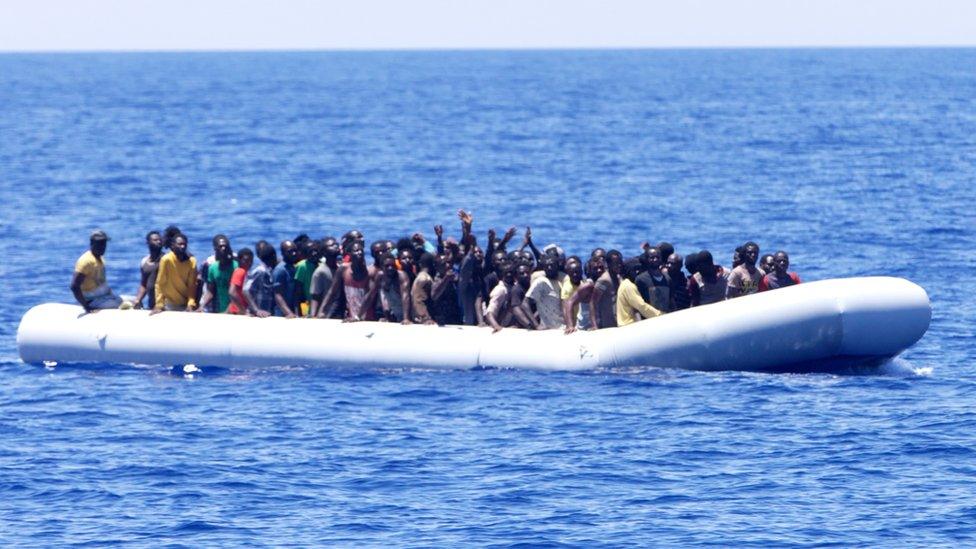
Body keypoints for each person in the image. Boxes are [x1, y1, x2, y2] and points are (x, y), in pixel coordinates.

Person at [70, 230, 122, 311]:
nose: (102, 246)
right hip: (93, 301)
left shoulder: (99, 258)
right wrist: (86, 306)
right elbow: (74, 286)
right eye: (99, 244)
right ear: (92, 243)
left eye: (104, 243)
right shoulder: (86, 261)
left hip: (104, 298)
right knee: (120, 306)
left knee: (131, 301)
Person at [320, 241, 372, 321]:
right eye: (356, 251)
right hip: (351, 317)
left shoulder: (369, 272)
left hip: (368, 318)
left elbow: (370, 297)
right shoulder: (343, 269)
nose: (359, 253)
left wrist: (358, 317)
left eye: (361, 250)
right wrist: (322, 311)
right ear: (349, 254)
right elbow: (332, 292)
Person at [152, 233, 198, 313]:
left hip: (185, 303)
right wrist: (159, 305)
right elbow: (160, 283)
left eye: (184, 244)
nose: (182, 247)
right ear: (173, 246)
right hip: (170, 304)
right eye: (179, 244)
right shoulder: (166, 260)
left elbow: (192, 285)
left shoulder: (192, 261)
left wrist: (190, 304)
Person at [616, 259, 663, 327]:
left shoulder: (626, 284)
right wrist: (660, 315)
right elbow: (641, 306)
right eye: (634, 269)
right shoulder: (628, 286)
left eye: (638, 269)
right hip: (627, 325)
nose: (637, 272)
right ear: (628, 272)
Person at [198, 235, 237, 313]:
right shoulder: (212, 266)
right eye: (221, 246)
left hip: (234, 307)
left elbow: (238, 292)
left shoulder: (236, 265)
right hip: (219, 306)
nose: (223, 248)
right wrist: (201, 306)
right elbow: (209, 290)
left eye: (225, 246)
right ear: (215, 248)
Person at [524, 256, 565, 330]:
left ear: (557, 265)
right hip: (549, 328)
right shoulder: (541, 281)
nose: (549, 268)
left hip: (562, 326)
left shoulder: (559, 282)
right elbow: (525, 303)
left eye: (552, 265)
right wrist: (536, 325)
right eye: (546, 266)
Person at [562, 257, 597, 334]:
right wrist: (570, 325)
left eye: (577, 272)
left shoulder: (585, 282)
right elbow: (567, 305)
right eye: (572, 272)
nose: (575, 275)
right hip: (580, 325)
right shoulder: (568, 287)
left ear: (581, 272)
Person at [310, 237, 341, 318]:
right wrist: (314, 316)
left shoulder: (340, 269)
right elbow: (315, 297)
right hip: (326, 314)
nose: (336, 246)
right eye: (332, 245)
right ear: (324, 252)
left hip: (339, 313)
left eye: (336, 244)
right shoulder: (320, 272)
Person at [244, 240, 276, 317]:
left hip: (267, 314)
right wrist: (256, 310)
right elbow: (245, 290)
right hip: (257, 315)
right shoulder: (260, 271)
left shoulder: (270, 271)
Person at [591, 250, 622, 329]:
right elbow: (593, 302)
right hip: (607, 325)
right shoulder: (604, 280)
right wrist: (594, 324)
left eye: (619, 263)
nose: (618, 265)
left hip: (618, 322)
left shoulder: (618, 277)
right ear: (608, 264)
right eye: (615, 263)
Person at [133, 230, 163, 310]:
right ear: (148, 243)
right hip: (152, 305)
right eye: (155, 240)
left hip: (165, 305)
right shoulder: (144, 261)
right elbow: (144, 284)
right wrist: (138, 299)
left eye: (160, 240)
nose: (159, 242)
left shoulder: (165, 260)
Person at [635, 246, 670, 313]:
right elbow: (637, 305)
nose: (655, 259)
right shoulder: (640, 280)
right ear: (647, 259)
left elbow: (671, 302)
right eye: (652, 257)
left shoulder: (667, 279)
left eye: (658, 257)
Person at [379, 254, 413, 323]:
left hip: (409, 315)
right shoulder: (380, 277)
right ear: (381, 267)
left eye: (392, 265)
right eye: (387, 266)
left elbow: (405, 297)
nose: (390, 268)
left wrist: (406, 318)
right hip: (395, 315)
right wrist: (358, 316)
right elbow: (370, 296)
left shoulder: (401, 276)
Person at [272, 240, 301, 318]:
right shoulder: (280, 270)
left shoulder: (292, 267)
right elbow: (277, 294)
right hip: (282, 314)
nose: (294, 253)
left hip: (292, 313)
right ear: (283, 253)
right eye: (290, 251)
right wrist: (288, 313)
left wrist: (297, 313)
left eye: (295, 250)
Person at [432, 252, 463, 326]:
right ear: (437, 266)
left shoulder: (453, 277)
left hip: (455, 315)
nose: (448, 265)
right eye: (444, 264)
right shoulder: (437, 280)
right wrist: (446, 279)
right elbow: (434, 296)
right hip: (442, 318)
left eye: (448, 263)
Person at [294, 238, 322, 316]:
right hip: (309, 307)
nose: (314, 253)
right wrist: (298, 314)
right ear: (305, 255)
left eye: (316, 250)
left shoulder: (323, 263)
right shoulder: (302, 266)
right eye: (310, 252)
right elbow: (297, 293)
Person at [411, 252, 435, 324]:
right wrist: (426, 318)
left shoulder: (420, 276)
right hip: (424, 320)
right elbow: (418, 299)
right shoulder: (425, 278)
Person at [227, 247, 253, 315]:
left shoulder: (245, 272)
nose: (249, 263)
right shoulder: (240, 271)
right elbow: (232, 292)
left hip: (236, 310)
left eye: (251, 260)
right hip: (237, 312)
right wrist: (243, 310)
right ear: (239, 260)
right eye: (246, 261)